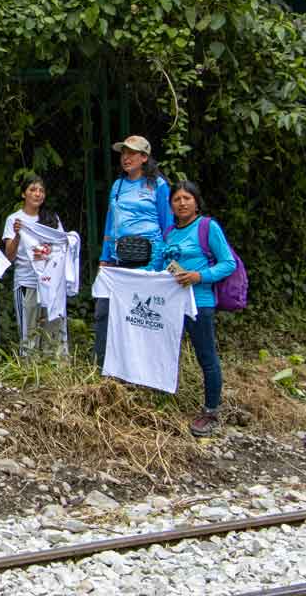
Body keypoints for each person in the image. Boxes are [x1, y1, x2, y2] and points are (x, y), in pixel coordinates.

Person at [162, 181, 236, 436]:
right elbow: (165, 265)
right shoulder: (169, 232)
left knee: (206, 357)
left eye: (187, 198)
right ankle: (166, 400)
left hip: (200, 303)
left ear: (196, 201)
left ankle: (211, 411)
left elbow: (228, 264)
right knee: (168, 353)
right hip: (172, 304)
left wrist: (198, 276)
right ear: (170, 204)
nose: (182, 203)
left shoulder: (207, 227)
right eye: (177, 199)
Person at [94, 135, 173, 368]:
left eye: (132, 153)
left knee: (140, 316)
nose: (126, 158)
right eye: (123, 153)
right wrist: (105, 257)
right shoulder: (117, 186)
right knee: (104, 310)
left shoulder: (157, 184)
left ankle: (143, 368)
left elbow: (166, 224)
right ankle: (103, 366)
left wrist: (159, 263)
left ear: (144, 157)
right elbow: (111, 221)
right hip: (119, 258)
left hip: (149, 260)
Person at [2, 175, 68, 358]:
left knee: (52, 331)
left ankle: (55, 376)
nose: (37, 194)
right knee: (29, 333)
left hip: (51, 283)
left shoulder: (51, 218)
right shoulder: (14, 219)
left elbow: (62, 247)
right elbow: (9, 256)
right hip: (26, 282)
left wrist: (47, 252)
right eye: (32, 190)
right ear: (24, 194)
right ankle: (30, 376)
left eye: (41, 190)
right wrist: (17, 235)